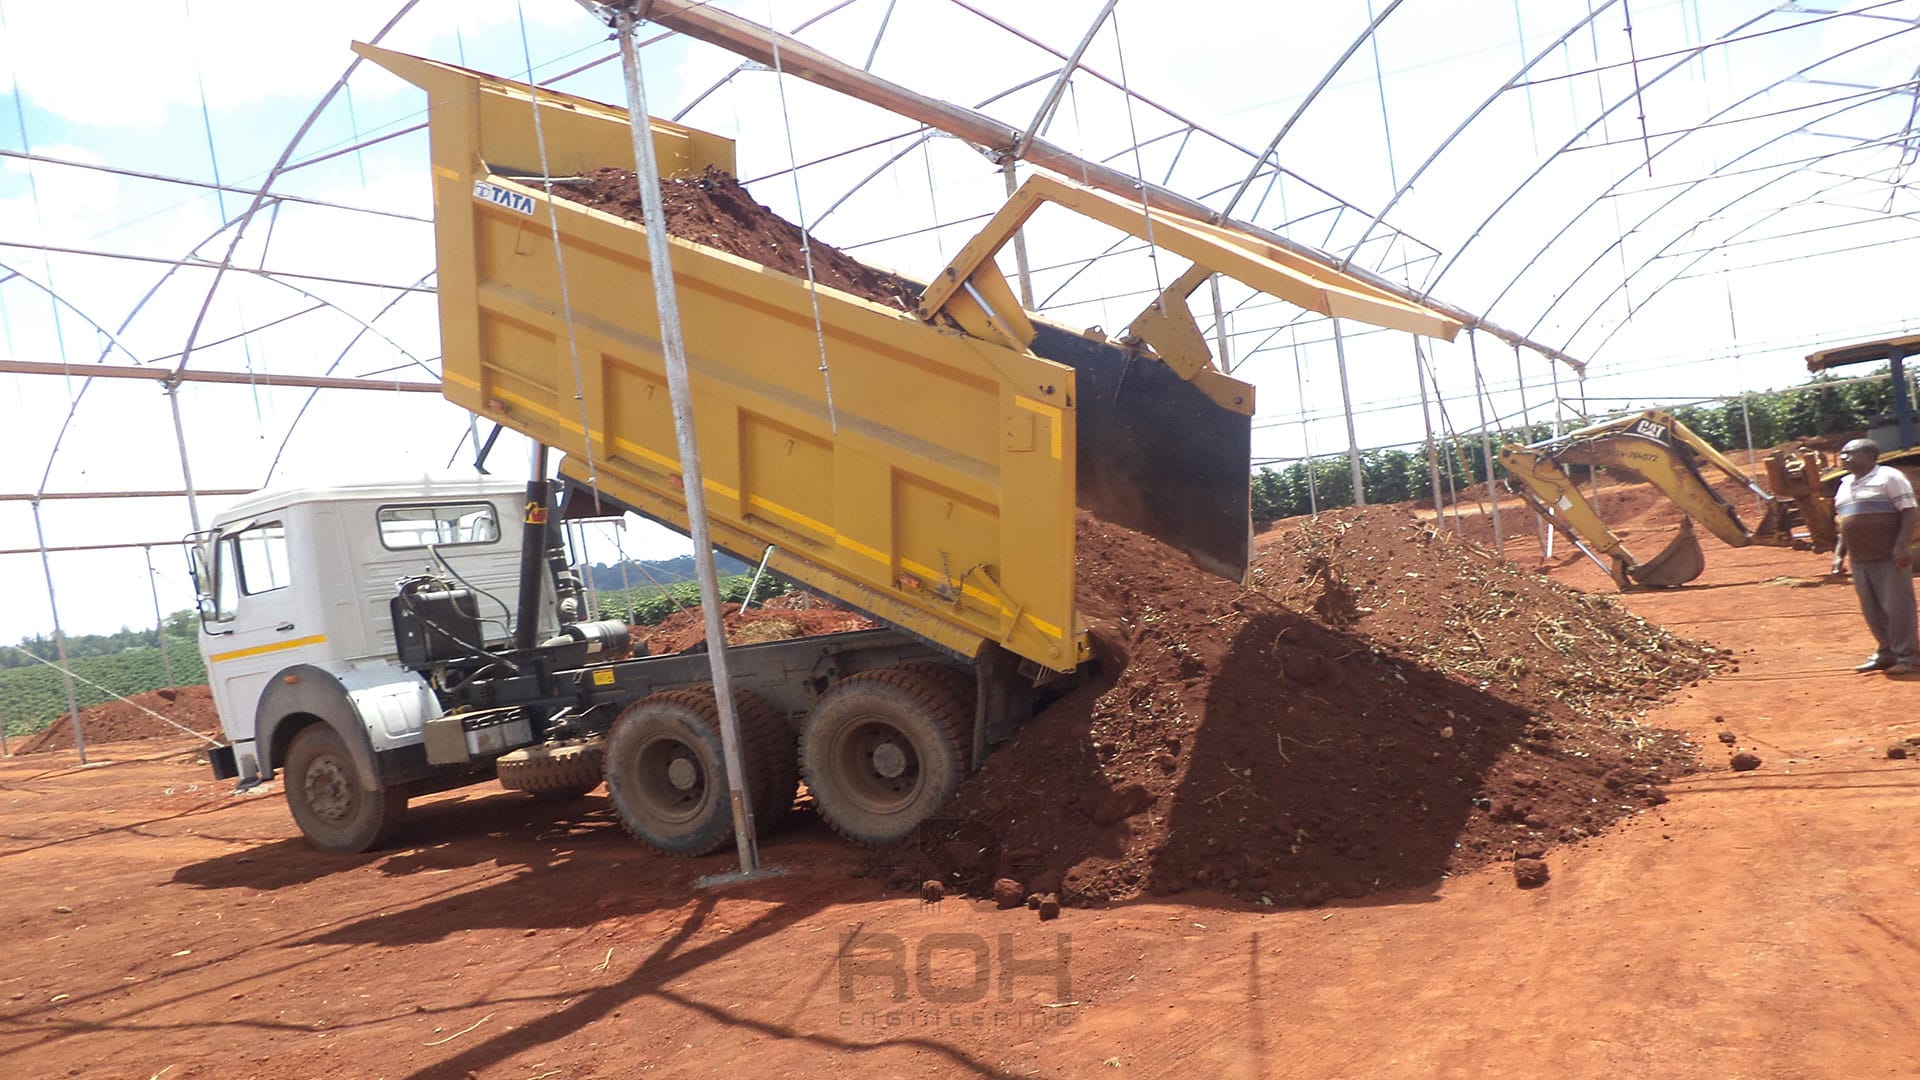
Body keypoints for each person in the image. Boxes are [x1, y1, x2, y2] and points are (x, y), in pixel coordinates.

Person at [1830, 438, 1920, 674]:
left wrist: (1902, 545)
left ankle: (1908, 657)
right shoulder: (1844, 484)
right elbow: (1844, 524)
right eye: (1842, 453)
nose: (1843, 457)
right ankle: (1886, 652)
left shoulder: (1889, 477)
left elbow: (1909, 510)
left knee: (1898, 606)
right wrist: (1839, 555)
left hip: (1888, 555)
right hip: (1859, 559)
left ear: (1870, 456)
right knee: (1872, 609)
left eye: (1849, 453)